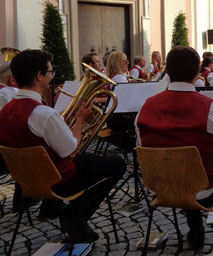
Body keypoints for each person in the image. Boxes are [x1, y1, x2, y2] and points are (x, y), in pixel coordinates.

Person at [135, 46, 213, 254]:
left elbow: (143, 149)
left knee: (180, 163)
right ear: (197, 72)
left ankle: (195, 231)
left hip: (161, 187)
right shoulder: (211, 108)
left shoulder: (145, 106)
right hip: (204, 190)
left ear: (168, 72)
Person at [0, 49, 125, 242]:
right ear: (39, 76)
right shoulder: (43, 114)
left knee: (91, 160)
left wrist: (60, 125)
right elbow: (71, 151)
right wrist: (80, 119)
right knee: (117, 163)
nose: (52, 77)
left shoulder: (5, 109)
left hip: (27, 180)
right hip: (59, 180)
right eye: (50, 73)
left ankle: (54, 209)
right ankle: (75, 216)